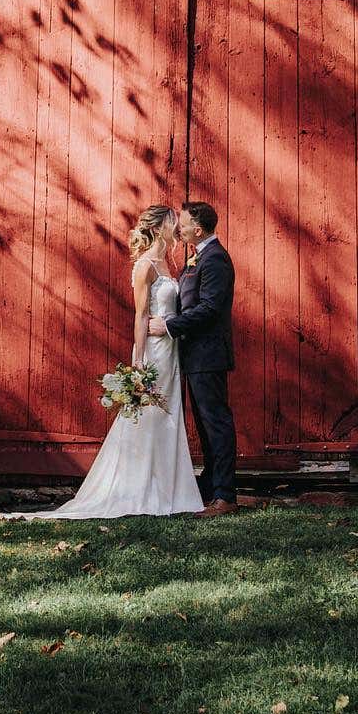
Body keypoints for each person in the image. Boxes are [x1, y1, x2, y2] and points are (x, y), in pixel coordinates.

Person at [0, 205, 205, 520]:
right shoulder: (145, 265)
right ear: (159, 226)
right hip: (155, 352)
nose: (177, 224)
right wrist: (138, 361)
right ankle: (138, 489)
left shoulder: (169, 262)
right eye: (172, 220)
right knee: (149, 414)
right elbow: (140, 316)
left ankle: (169, 489)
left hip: (172, 350)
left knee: (169, 414)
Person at [148, 201, 239, 516]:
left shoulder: (215, 260)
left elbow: (210, 308)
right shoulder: (196, 257)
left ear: (197, 230)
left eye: (183, 223)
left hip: (208, 355)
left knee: (216, 424)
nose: (178, 228)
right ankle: (211, 488)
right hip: (193, 355)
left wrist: (169, 325)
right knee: (204, 426)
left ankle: (225, 496)